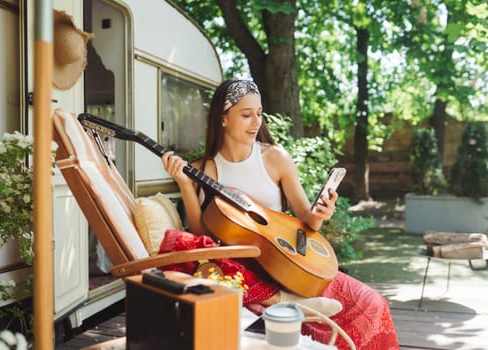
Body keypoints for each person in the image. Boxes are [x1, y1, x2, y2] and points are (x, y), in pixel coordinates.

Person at [161, 79, 400, 349]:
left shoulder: (275, 158)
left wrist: (322, 212)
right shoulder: (203, 170)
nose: (256, 123)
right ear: (223, 118)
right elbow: (201, 237)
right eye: (246, 114)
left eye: (259, 114)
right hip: (248, 272)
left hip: (291, 263)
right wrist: (184, 185)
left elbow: (308, 220)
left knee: (373, 304)